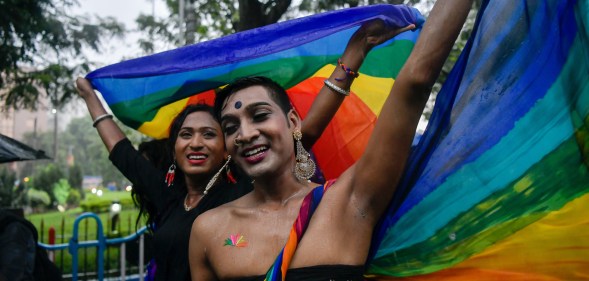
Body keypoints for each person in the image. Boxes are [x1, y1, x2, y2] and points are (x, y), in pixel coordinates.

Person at [74, 17, 408, 280]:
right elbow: (122, 152)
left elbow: (303, 132)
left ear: (227, 150)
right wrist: (91, 98)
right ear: (174, 147)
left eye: (210, 134)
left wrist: (353, 55)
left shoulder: (250, 185)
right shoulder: (167, 197)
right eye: (186, 134)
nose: (196, 142)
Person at [189, 0, 472, 280]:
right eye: (230, 127)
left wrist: (358, 49)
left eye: (260, 116)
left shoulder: (350, 201)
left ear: (292, 123)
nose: (246, 134)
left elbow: (416, 81)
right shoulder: (208, 230)